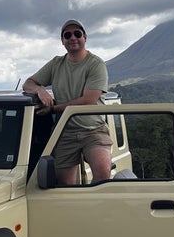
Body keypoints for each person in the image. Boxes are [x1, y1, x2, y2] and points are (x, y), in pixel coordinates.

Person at [22, 19, 112, 185]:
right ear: (62, 41)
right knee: (64, 185)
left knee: (103, 173)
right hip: (64, 131)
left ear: (85, 37)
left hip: (93, 130)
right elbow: (28, 83)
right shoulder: (56, 64)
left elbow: (89, 101)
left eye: (77, 33)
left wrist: (53, 108)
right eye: (67, 35)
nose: (73, 38)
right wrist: (40, 90)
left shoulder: (96, 64)